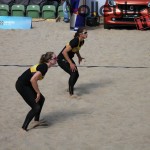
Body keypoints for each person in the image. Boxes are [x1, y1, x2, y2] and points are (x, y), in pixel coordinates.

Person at [15, 52, 57, 131]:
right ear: (49, 60)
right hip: (22, 85)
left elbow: (32, 79)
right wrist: (37, 92)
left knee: (41, 99)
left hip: (26, 84)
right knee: (36, 107)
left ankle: (36, 121)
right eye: (55, 58)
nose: (56, 59)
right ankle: (24, 128)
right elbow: (33, 80)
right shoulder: (44, 67)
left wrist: (37, 93)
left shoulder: (44, 66)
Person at [57, 27, 88, 97]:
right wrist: (71, 63)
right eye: (85, 33)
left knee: (76, 75)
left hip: (68, 58)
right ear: (80, 34)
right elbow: (64, 52)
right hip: (62, 59)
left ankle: (70, 87)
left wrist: (79, 57)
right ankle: (71, 94)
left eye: (87, 32)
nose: (87, 34)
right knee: (73, 73)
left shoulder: (82, 41)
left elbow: (76, 49)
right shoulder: (75, 41)